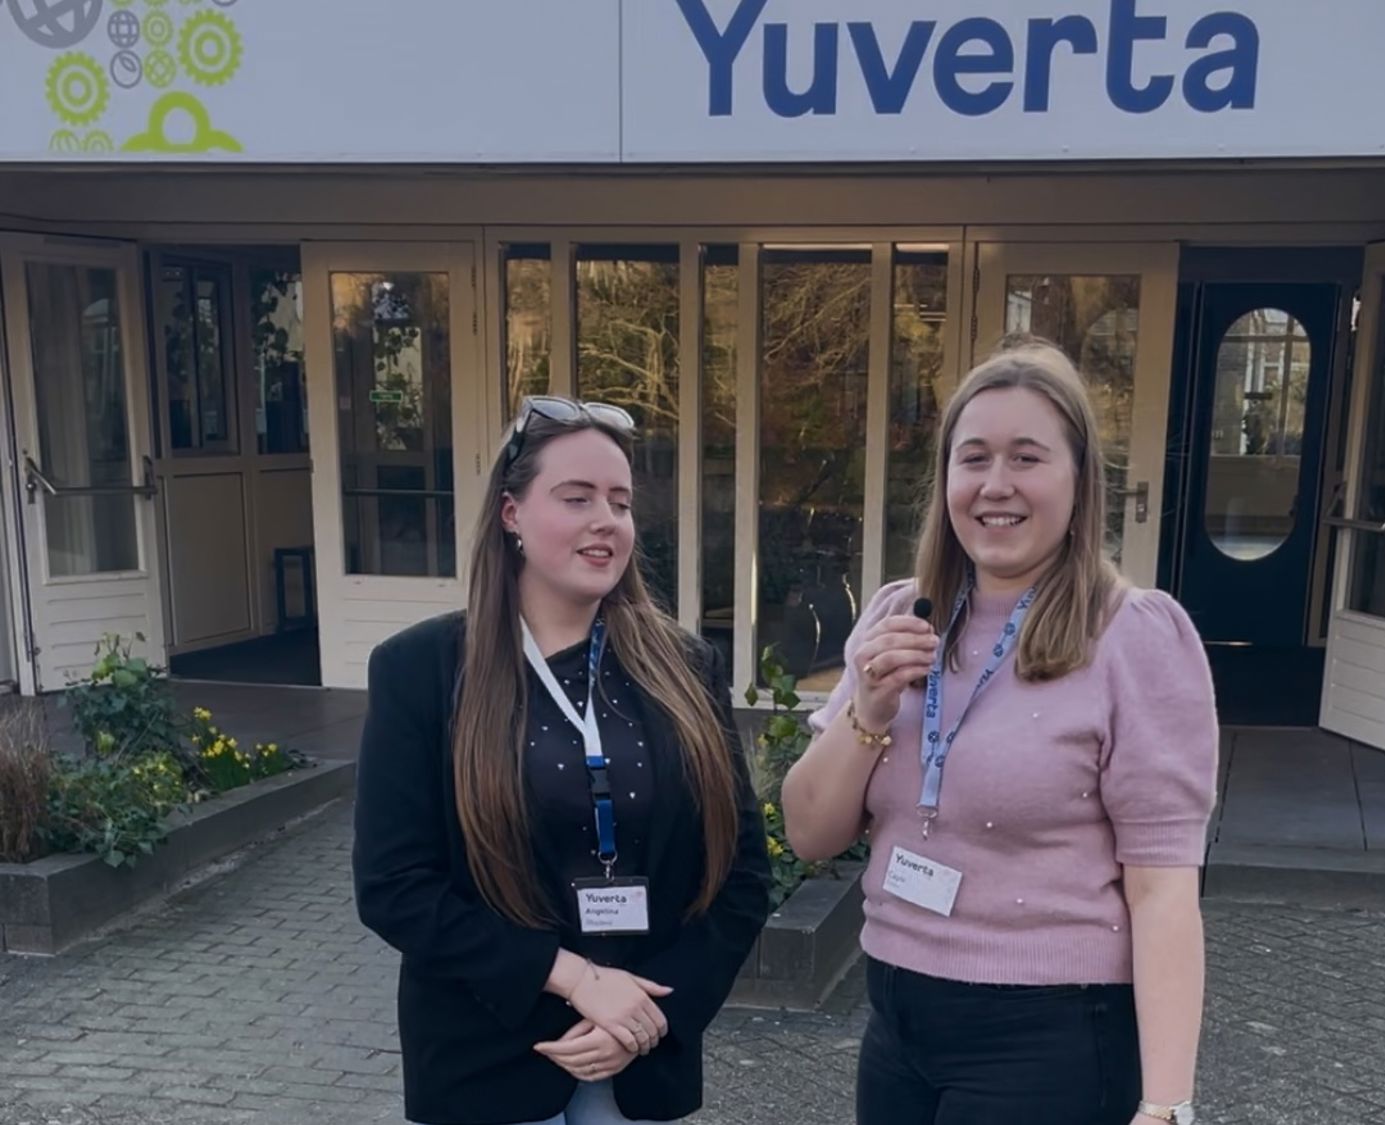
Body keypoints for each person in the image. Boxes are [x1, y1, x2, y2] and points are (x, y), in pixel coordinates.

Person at [781, 337, 1218, 1125]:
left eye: (1027, 457)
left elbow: (1163, 892)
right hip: (895, 1023)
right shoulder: (899, 614)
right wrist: (869, 712)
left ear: (1080, 481)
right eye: (973, 457)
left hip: (1047, 1038)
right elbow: (810, 831)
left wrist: (1168, 1102)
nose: (995, 485)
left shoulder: (1133, 637)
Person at [353, 396, 772, 1125]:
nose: (605, 520)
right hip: (487, 1062)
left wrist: (648, 1013)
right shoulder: (420, 669)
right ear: (511, 513)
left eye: (619, 501)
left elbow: (742, 877)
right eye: (575, 498)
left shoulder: (685, 666)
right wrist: (575, 978)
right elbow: (394, 886)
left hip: (641, 1063)